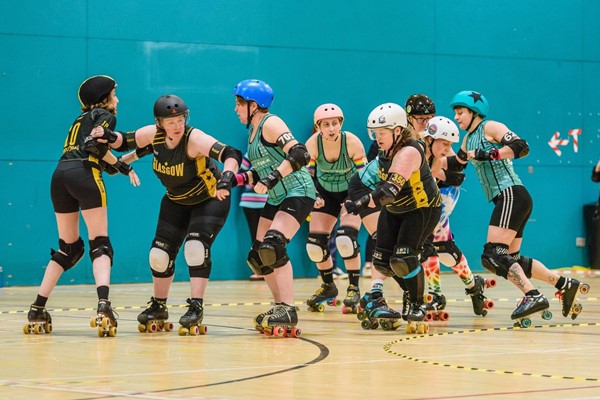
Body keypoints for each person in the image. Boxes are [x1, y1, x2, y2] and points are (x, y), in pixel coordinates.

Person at [450, 90, 590, 325]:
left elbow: (521, 146)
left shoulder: (490, 127)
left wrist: (489, 153)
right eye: (455, 113)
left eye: (460, 112)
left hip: (511, 194)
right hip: (509, 199)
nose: (457, 117)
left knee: (492, 254)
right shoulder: (466, 140)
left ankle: (533, 295)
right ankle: (563, 284)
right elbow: (455, 164)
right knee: (512, 258)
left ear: (474, 112)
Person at [106, 94, 241, 335]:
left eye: (180, 119)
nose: (177, 126)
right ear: (160, 123)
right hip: (176, 201)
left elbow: (231, 154)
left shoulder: (194, 138)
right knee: (158, 255)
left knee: (195, 249)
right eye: (171, 122)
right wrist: (104, 137)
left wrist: (227, 177)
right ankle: (158, 306)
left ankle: (196, 307)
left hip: (210, 199)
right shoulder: (153, 134)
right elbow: (123, 141)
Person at [24, 75, 140, 337]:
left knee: (69, 248)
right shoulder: (104, 115)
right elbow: (93, 147)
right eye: (114, 94)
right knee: (100, 243)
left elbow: (89, 148)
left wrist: (119, 165)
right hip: (84, 173)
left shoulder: (79, 120)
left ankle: (37, 308)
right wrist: (122, 165)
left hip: (60, 175)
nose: (117, 99)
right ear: (104, 98)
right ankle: (103, 307)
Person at [345, 103, 442, 334]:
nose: (377, 138)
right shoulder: (385, 151)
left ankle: (417, 304)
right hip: (396, 209)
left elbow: (388, 191)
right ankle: (411, 292)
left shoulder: (409, 150)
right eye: (375, 133)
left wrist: (359, 204)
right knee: (381, 261)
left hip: (421, 209)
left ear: (397, 131)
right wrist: (354, 197)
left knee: (404, 258)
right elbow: (362, 182)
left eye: (382, 133)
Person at [233, 79, 315, 336]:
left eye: (239, 104)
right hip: (277, 196)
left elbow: (300, 154)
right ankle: (280, 306)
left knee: (273, 246)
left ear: (253, 105)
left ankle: (288, 308)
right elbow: (258, 173)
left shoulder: (271, 123)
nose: (235, 109)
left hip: (297, 191)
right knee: (258, 256)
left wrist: (273, 178)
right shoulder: (253, 132)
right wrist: (231, 181)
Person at [420, 116, 494, 318]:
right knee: (444, 249)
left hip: (445, 194)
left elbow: (458, 177)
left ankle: (435, 294)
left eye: (449, 145)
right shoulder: (417, 144)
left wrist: (439, 169)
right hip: (429, 192)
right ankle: (473, 286)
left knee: (427, 240)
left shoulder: (440, 149)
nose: (447, 149)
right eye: (444, 145)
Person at [304, 103, 367, 314]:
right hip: (326, 193)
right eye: (326, 125)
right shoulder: (312, 144)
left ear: (341, 123)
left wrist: (354, 200)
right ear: (318, 126)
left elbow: (365, 177)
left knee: (346, 239)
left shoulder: (352, 142)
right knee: (315, 244)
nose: (331, 128)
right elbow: (307, 177)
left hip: (352, 190)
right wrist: (314, 195)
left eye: (335, 123)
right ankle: (328, 286)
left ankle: (353, 287)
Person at [238, 153, 268, 281]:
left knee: (268, 239)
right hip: (249, 202)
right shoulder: (249, 154)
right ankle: (260, 270)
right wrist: (254, 183)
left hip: (268, 201)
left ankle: (270, 269)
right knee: (255, 237)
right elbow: (241, 173)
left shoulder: (273, 153)